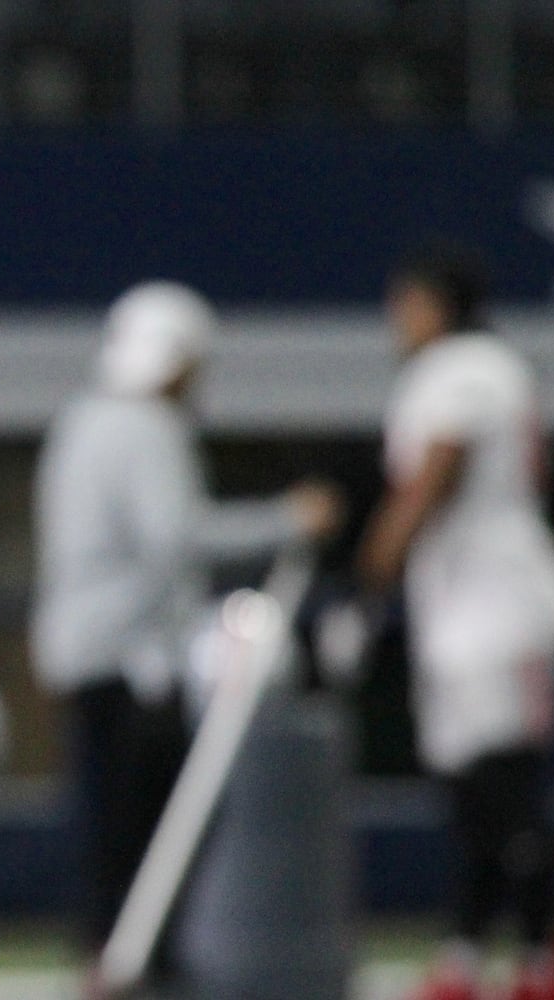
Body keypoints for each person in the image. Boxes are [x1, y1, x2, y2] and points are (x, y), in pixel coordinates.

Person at [30, 280, 341, 978]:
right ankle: (137, 963)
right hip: (134, 660)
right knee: (152, 829)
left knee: (113, 824)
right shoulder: (144, 428)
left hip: (88, 654)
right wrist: (289, 518)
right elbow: (176, 538)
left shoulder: (84, 420)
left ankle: (114, 957)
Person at [357, 244, 554, 1000]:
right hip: (463, 605)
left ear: (439, 303)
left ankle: (538, 960)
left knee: (507, 789)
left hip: (501, 607)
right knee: (472, 792)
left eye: (407, 301)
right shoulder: (475, 368)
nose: (397, 317)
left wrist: (372, 567)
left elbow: (437, 472)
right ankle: (467, 952)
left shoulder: (466, 369)